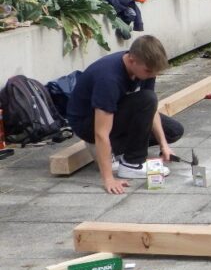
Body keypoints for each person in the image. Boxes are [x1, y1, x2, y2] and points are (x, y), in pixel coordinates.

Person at [65, 35, 182, 194]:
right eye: (148, 71)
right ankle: (132, 164)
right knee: (146, 99)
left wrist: (164, 145)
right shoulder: (109, 78)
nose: (151, 75)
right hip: (89, 125)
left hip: (113, 113)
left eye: (154, 72)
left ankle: (116, 150)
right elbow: (100, 132)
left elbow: (151, 108)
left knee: (173, 131)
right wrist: (108, 179)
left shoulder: (145, 68)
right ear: (132, 59)